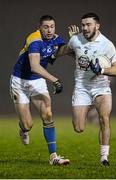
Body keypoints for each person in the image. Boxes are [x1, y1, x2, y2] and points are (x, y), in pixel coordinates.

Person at [10, 15, 70, 165]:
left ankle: (53, 156)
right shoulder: (35, 40)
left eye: (52, 26)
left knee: (48, 114)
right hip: (20, 81)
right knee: (28, 124)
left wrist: (74, 42)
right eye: (46, 27)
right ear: (40, 27)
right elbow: (35, 66)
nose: (49, 30)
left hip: (37, 81)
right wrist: (55, 80)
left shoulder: (56, 39)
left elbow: (64, 51)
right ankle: (23, 129)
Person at [66, 12, 116, 166]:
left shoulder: (107, 44)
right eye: (83, 25)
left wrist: (102, 71)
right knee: (78, 128)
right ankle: (88, 106)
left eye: (88, 24)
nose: (85, 28)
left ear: (97, 26)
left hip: (101, 87)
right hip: (82, 87)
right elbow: (68, 52)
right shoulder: (75, 40)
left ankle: (104, 157)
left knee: (104, 119)